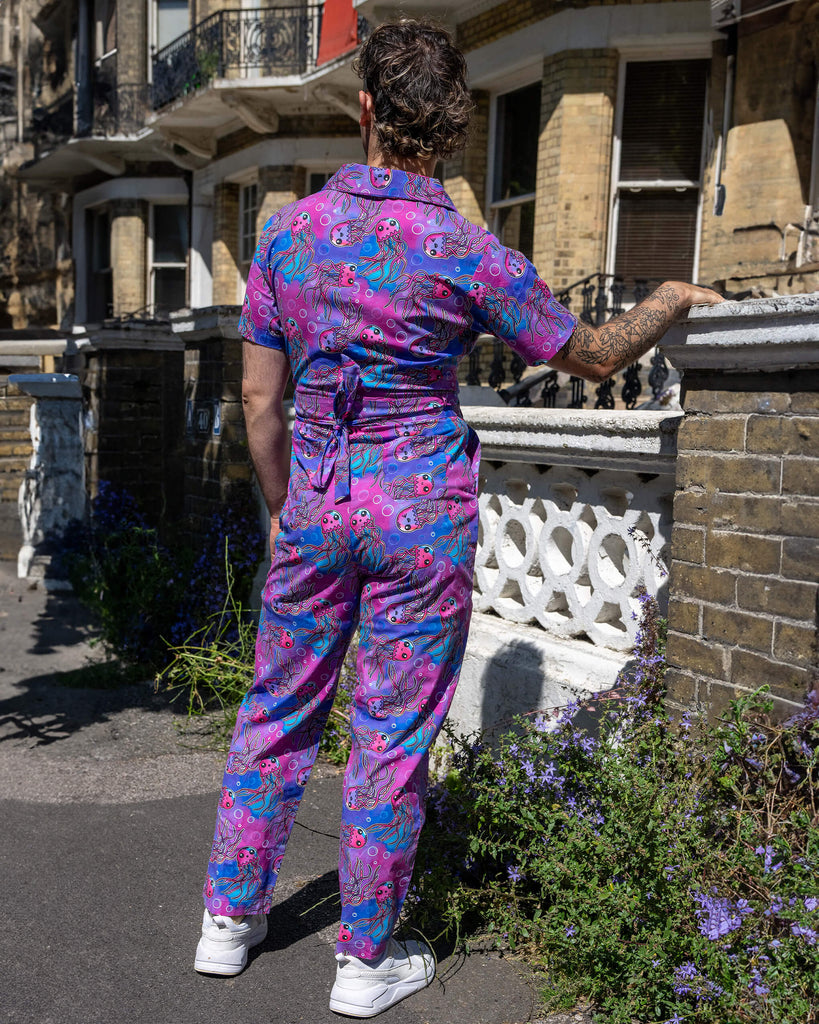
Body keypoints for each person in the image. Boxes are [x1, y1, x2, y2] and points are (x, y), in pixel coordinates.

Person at [193, 17, 723, 1018]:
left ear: (363, 112)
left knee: (277, 709)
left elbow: (260, 402)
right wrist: (662, 299)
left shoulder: (288, 237)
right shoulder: (466, 250)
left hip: (316, 497)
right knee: (391, 734)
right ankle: (363, 960)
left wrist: (286, 509)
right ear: (448, 133)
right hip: (420, 512)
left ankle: (228, 920)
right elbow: (596, 355)